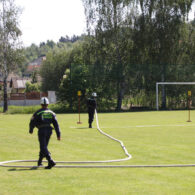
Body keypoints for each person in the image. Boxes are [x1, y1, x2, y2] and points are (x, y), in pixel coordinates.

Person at [29, 97, 61, 169]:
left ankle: (50, 161)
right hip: (49, 131)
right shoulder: (52, 113)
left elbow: (32, 121)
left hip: (42, 131)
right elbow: (56, 124)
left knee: (43, 147)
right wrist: (58, 135)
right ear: (47, 104)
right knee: (44, 146)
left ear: (41, 104)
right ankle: (40, 162)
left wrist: (31, 130)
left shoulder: (38, 112)